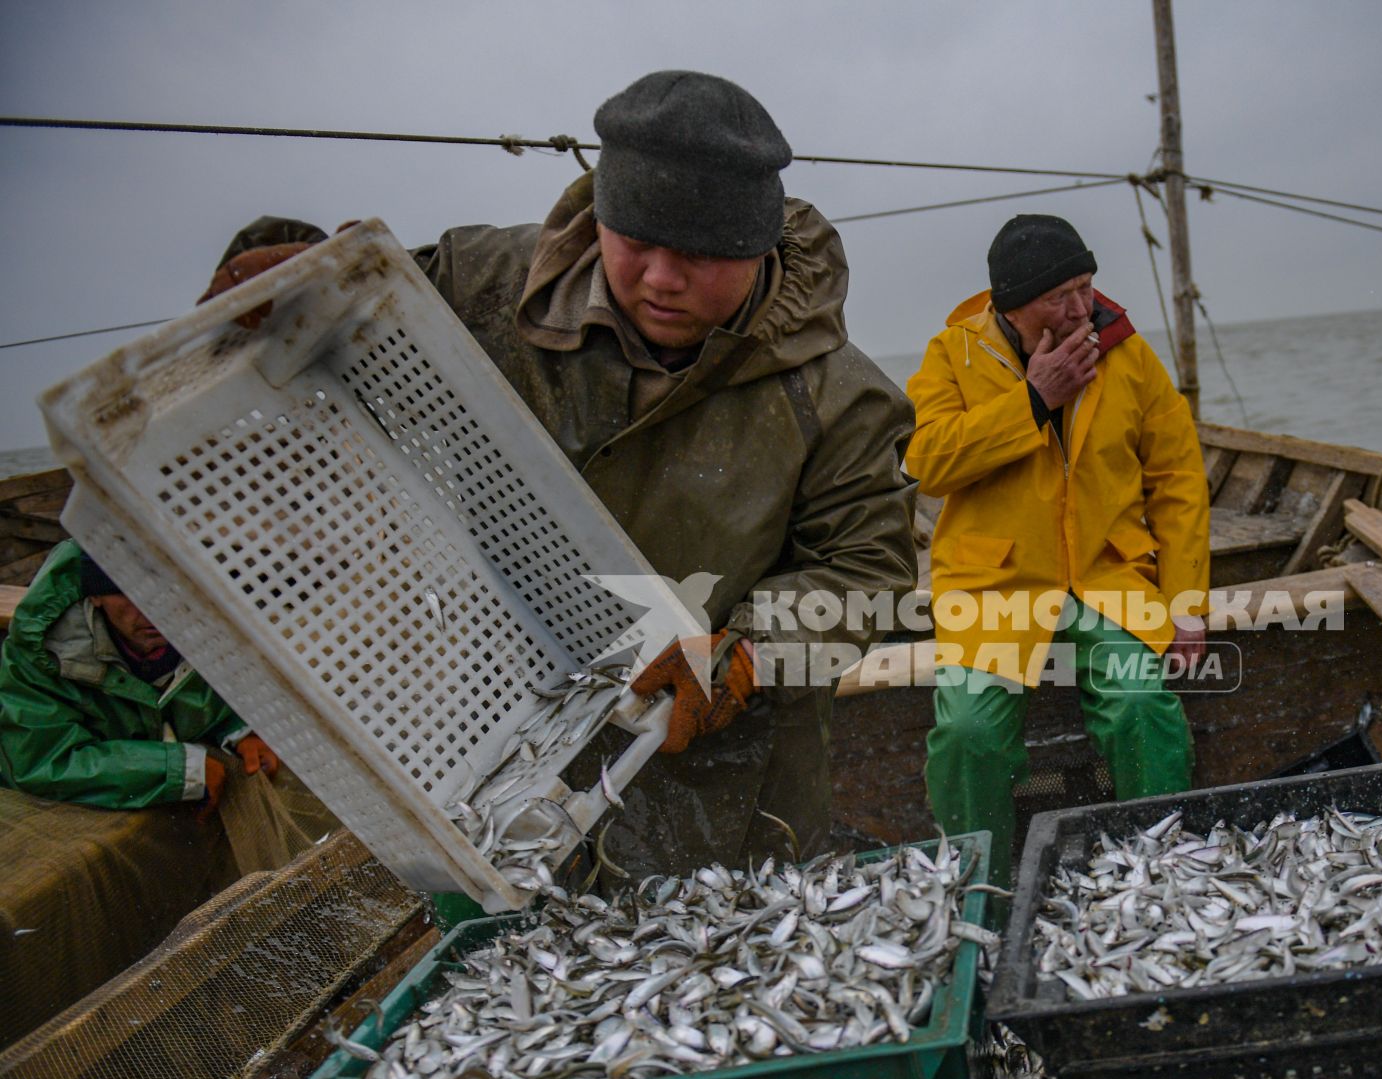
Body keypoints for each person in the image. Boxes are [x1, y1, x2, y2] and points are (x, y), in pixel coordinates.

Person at [209, 71, 917, 870]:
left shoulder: (839, 397)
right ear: (602, 215)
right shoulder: (483, 283)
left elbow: (868, 571)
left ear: (756, 249)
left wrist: (746, 655)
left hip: (727, 774)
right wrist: (313, 284)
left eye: (698, 256)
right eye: (636, 241)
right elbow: (370, 309)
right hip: (497, 727)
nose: (659, 277)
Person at [903, 214, 1210, 866]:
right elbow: (926, 461)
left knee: (1141, 710)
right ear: (1012, 306)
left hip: (1107, 579)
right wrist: (1033, 400)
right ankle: (979, 885)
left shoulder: (1128, 352)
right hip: (994, 587)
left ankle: (1159, 873)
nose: (1082, 308)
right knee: (967, 734)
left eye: (1086, 286)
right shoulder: (951, 354)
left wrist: (1186, 601)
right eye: (1060, 297)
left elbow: (1179, 480)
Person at [0, 541, 279, 810]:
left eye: (167, 589)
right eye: (127, 591)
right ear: (94, 595)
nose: (151, 609)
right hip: (57, 814)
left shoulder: (217, 626)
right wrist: (178, 771)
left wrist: (241, 731)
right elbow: (43, 762)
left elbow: (216, 694)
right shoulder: (42, 653)